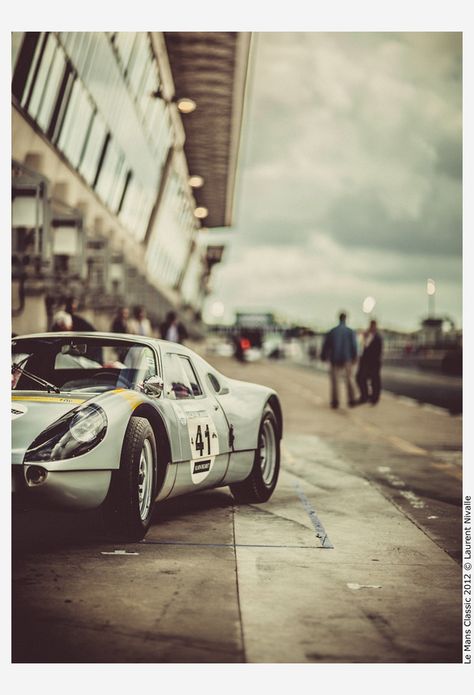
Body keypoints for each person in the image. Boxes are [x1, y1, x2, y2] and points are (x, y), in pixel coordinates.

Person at [320, 311, 358, 409]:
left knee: (335, 381)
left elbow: (326, 345)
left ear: (339, 318)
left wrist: (323, 356)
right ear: (346, 319)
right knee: (349, 379)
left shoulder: (333, 331)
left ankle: (335, 401)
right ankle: (352, 399)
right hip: (347, 358)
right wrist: (354, 357)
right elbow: (354, 346)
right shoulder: (350, 332)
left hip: (335, 359)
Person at [356, 319, 383, 405]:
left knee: (375, 381)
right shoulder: (367, 336)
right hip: (365, 362)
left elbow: (377, 352)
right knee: (360, 378)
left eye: (373, 326)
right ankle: (365, 396)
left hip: (373, 363)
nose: (371, 328)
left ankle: (374, 398)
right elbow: (362, 346)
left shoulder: (378, 337)